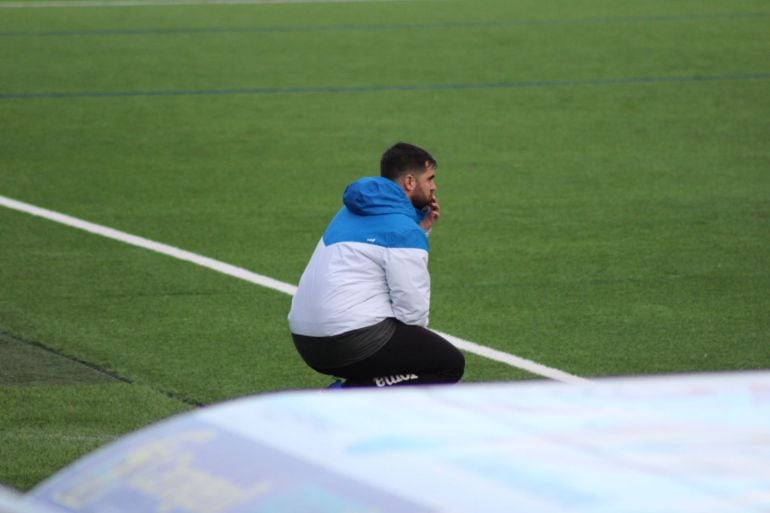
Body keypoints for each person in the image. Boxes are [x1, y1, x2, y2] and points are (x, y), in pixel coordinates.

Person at [288, 142, 465, 388]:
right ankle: (348, 394)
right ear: (410, 182)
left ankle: (357, 389)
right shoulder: (402, 231)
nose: (434, 186)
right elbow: (412, 314)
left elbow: (379, 246)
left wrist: (419, 229)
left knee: (394, 358)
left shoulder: (349, 210)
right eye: (430, 178)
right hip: (348, 341)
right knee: (447, 364)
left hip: (306, 340)